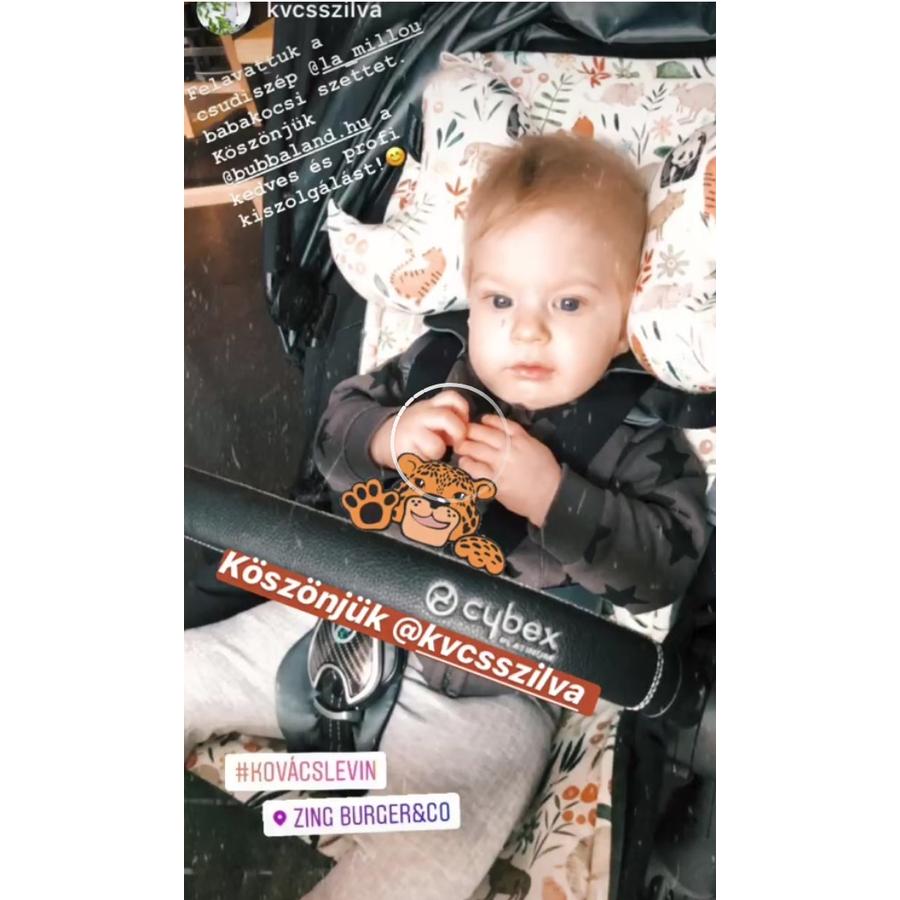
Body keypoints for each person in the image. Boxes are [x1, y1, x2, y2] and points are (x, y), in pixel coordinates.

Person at [185, 132, 710, 900]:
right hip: (339, 624)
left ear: (630, 301)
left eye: (568, 303)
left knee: (438, 844)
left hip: (497, 691)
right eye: (500, 300)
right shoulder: (435, 367)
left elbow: (663, 567)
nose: (527, 330)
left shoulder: (638, 434)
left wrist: (554, 497)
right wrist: (389, 437)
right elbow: (336, 431)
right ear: (472, 290)